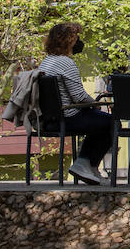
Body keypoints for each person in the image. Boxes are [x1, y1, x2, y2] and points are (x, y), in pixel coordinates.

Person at [38, 21, 113, 184]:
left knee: (98, 120)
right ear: (68, 41)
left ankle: (89, 168)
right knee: (112, 122)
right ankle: (85, 163)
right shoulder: (66, 63)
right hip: (68, 117)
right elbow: (79, 96)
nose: (79, 42)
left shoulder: (47, 61)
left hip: (49, 120)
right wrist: (95, 103)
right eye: (76, 38)